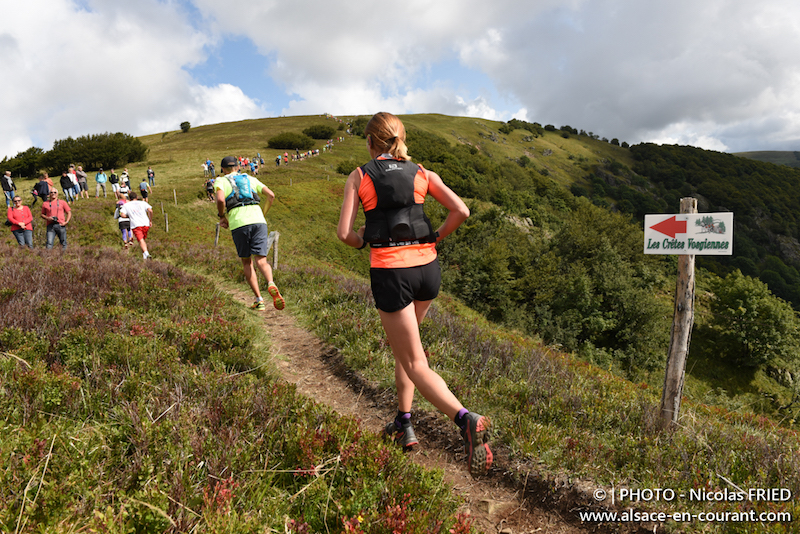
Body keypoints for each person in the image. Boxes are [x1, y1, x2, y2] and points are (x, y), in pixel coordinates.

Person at [336, 112, 492, 476]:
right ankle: (403, 422)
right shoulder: (423, 173)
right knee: (408, 351)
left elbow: (345, 234)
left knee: (415, 361)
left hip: (392, 272)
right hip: (427, 270)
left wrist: (363, 241)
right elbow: (461, 210)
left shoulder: (360, 176)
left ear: (370, 141)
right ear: (400, 138)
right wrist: (434, 237)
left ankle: (466, 419)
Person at [215, 155, 284, 311]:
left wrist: (222, 216)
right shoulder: (250, 179)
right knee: (262, 260)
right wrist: (262, 214)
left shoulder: (221, 181)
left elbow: (220, 200)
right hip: (258, 220)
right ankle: (271, 283)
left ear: (223, 169)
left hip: (238, 223)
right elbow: (271, 195)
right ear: (238, 167)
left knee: (247, 262)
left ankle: (259, 300)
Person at [120, 191, 153, 259]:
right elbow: (150, 211)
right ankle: (144, 255)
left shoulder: (126, 205)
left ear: (129, 198)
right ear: (137, 197)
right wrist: (150, 220)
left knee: (140, 239)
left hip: (136, 224)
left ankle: (146, 254)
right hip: (145, 223)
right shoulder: (143, 203)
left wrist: (129, 216)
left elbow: (122, 214)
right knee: (142, 239)